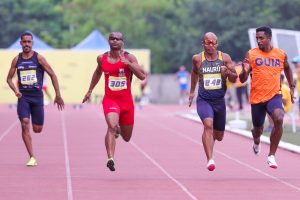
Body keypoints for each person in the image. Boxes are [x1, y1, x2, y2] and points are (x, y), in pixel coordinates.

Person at [82, 32, 146, 171]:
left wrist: (129, 64)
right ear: (109, 41)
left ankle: (118, 130)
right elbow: (98, 73)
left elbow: (142, 76)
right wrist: (90, 90)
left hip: (127, 102)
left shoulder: (129, 57)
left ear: (122, 42)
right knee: (111, 126)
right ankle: (110, 158)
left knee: (127, 137)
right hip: (111, 100)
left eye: (118, 39)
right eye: (112, 39)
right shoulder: (101, 58)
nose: (115, 41)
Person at [239, 26, 295, 169]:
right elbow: (243, 78)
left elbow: (287, 68)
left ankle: (271, 155)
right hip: (257, 98)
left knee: (279, 118)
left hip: (274, 95)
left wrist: (292, 86)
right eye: (257, 38)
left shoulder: (280, 54)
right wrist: (244, 71)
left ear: (269, 38)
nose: (258, 41)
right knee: (257, 129)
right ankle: (256, 141)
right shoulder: (251, 54)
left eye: (261, 38)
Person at [6, 31, 64, 166]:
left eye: (29, 42)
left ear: (32, 43)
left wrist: (58, 94)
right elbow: (8, 79)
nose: (26, 44)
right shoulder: (16, 59)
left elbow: (53, 75)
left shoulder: (39, 58)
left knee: (37, 129)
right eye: (24, 42)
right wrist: (16, 91)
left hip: (37, 97)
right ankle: (32, 157)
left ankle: (35, 124)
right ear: (20, 43)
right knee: (24, 123)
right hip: (23, 97)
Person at [189, 32, 237, 171]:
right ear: (202, 43)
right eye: (207, 42)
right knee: (208, 125)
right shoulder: (197, 59)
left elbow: (235, 78)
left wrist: (227, 73)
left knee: (219, 136)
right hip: (204, 100)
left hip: (219, 101)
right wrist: (192, 92)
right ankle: (210, 159)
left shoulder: (225, 58)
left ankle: (211, 141)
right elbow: (194, 73)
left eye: (213, 43)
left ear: (217, 44)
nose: (210, 45)